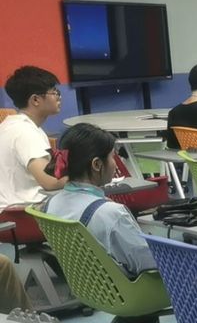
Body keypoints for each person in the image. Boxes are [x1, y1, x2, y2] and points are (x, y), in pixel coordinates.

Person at [43, 124, 155, 278]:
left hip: (89, 285)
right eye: (113, 156)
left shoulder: (51, 204)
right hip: (128, 288)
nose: (115, 163)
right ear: (97, 164)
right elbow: (149, 266)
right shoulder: (112, 213)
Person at [0, 66, 67, 211]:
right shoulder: (25, 132)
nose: (59, 97)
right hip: (24, 213)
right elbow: (51, 181)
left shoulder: (10, 125)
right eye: (54, 92)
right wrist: (87, 177)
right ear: (35, 99)